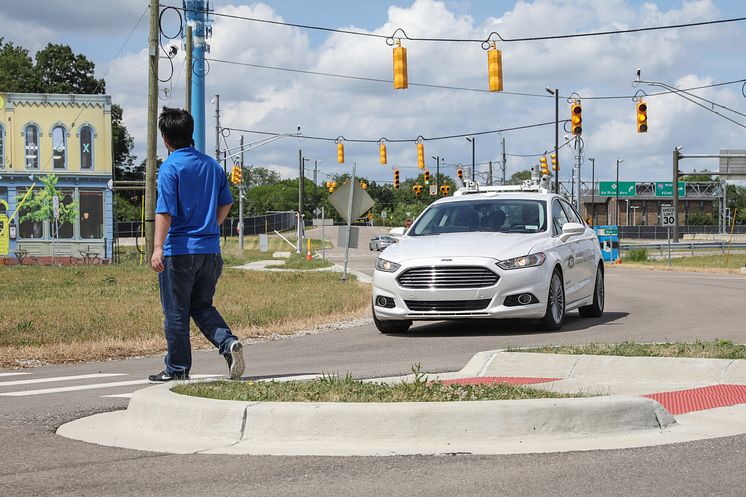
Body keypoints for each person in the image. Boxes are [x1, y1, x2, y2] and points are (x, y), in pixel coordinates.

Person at [148, 107, 245, 383]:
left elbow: (164, 211)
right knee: (201, 306)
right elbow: (226, 202)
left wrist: (157, 248)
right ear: (190, 133)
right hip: (210, 252)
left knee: (176, 313)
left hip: (179, 252)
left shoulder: (170, 167)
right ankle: (228, 343)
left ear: (165, 138)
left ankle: (177, 369)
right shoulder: (212, 166)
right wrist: (211, 226)